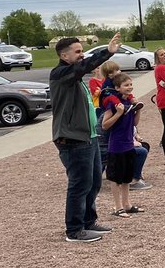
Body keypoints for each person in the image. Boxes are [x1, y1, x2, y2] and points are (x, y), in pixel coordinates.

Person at [50, 33, 121, 242]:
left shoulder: (76, 78)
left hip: (88, 137)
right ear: (64, 55)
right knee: (79, 184)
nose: (82, 55)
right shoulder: (61, 74)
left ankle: (89, 221)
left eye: (82, 51)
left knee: (93, 182)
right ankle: (74, 229)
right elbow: (83, 66)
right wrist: (106, 52)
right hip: (72, 139)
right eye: (78, 52)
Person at [100, 72, 146, 218]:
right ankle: (117, 206)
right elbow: (105, 125)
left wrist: (137, 111)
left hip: (128, 145)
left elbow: (134, 123)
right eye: (126, 85)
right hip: (116, 146)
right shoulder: (114, 104)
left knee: (126, 177)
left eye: (131, 84)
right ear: (117, 87)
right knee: (115, 178)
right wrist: (118, 113)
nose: (129, 87)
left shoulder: (129, 102)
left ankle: (127, 204)